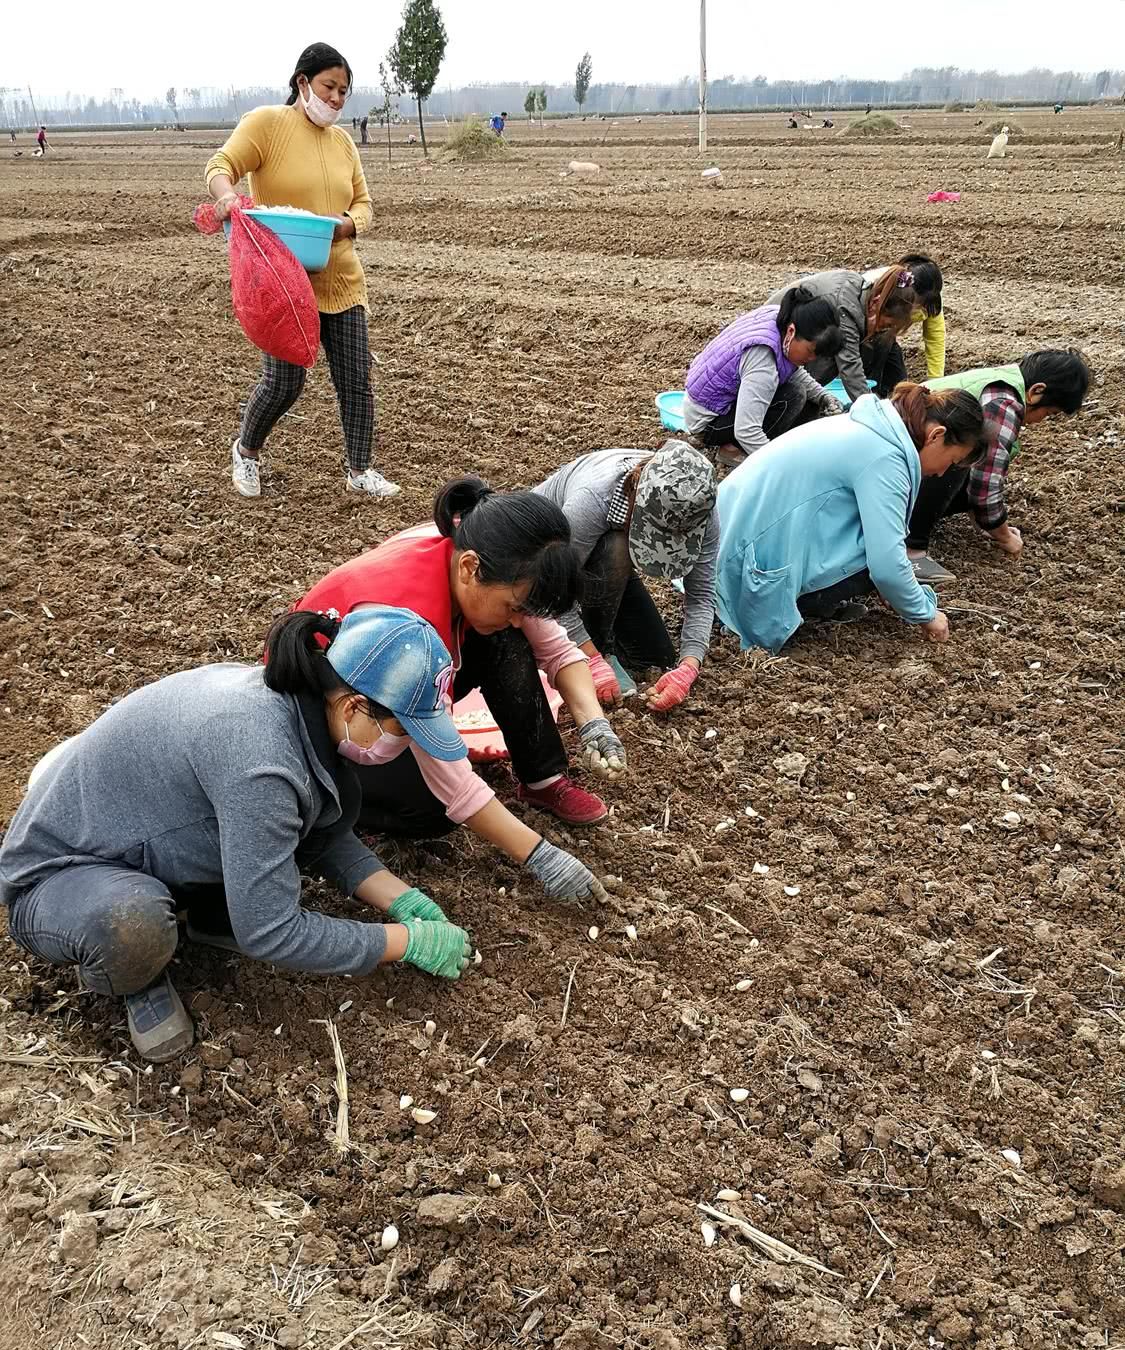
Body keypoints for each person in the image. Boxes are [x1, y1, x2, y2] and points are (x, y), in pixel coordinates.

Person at [0, 607, 479, 1064]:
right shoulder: (259, 757)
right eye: (404, 729)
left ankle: (207, 914)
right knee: (134, 927)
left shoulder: (303, 710)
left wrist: (401, 900)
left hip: (149, 837)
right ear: (355, 706)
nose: (407, 745)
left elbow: (320, 833)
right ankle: (136, 974)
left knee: (258, 862)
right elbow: (273, 932)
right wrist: (404, 942)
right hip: (61, 875)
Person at [297, 477, 623, 877]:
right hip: (333, 721)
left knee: (507, 636)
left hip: (383, 687)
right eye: (515, 605)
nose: (522, 618)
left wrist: (595, 724)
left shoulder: (480, 551)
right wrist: (540, 857)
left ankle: (542, 778)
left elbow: (557, 651)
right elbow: (454, 786)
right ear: (470, 568)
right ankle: (339, 803)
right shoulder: (412, 626)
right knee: (431, 810)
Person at [205, 42, 400, 500]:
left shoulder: (344, 142)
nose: (335, 99)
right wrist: (227, 196)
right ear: (302, 83)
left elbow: (363, 203)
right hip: (285, 283)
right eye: (329, 87)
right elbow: (221, 165)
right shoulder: (267, 125)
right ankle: (246, 452)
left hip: (342, 278)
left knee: (355, 381)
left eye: (344, 92)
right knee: (285, 381)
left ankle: (360, 470)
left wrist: (348, 226)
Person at [715, 384, 985, 653]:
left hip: (723, 542)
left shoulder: (873, 426)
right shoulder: (886, 458)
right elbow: (887, 565)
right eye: (951, 461)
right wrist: (927, 615)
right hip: (739, 570)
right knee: (876, 562)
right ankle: (797, 605)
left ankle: (813, 602)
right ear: (937, 435)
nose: (941, 473)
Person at [534, 441, 717, 713]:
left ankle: (602, 638)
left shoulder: (698, 509)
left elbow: (701, 594)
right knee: (616, 547)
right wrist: (591, 658)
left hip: (604, 570)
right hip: (543, 563)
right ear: (636, 498)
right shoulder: (593, 500)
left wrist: (689, 666)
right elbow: (550, 590)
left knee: (657, 659)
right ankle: (598, 647)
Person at [906, 350, 1090, 583]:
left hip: (911, 463)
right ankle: (912, 550)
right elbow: (985, 483)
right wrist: (1003, 536)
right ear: (1036, 392)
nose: (1043, 420)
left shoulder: (1004, 381)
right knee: (956, 458)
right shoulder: (1004, 403)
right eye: (1049, 413)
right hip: (907, 462)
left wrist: (986, 520)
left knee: (967, 457)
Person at [681, 286, 845, 467]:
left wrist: (824, 396)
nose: (812, 359)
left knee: (806, 396)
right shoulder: (763, 361)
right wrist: (780, 466)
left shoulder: (779, 318)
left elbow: (792, 370)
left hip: (707, 405)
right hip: (708, 423)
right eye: (811, 352)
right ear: (791, 332)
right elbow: (746, 430)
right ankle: (731, 450)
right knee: (793, 396)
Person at [767, 265, 920, 406]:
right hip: (776, 338)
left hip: (798, 334)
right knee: (829, 355)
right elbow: (850, 366)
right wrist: (874, 411)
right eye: (884, 325)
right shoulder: (846, 308)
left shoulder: (861, 295)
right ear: (875, 303)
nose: (881, 331)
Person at [861, 254, 946, 389]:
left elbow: (935, 338)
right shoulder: (879, 284)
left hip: (888, 334)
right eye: (918, 304)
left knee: (899, 382)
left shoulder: (930, 299)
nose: (919, 308)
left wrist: (936, 382)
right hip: (863, 331)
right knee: (871, 372)